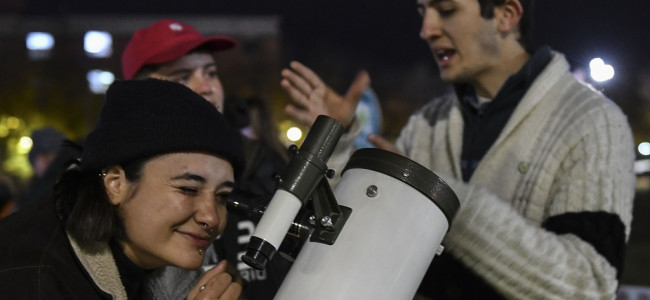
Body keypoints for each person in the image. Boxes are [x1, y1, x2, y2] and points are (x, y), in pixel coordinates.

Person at [279, 0, 636, 298]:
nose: (427, 29)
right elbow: (363, 240)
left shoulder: (594, 121)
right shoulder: (427, 122)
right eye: (423, 11)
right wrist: (338, 141)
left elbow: (588, 285)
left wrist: (440, 199)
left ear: (506, 15)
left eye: (446, 9)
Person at [0, 79, 244, 299]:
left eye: (222, 196)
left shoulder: (162, 266)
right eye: (188, 189)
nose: (211, 217)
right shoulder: (33, 279)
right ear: (115, 183)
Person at [122, 19, 291, 300]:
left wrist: (340, 140)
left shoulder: (261, 161)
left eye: (211, 73)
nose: (206, 87)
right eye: (183, 77)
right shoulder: (118, 184)